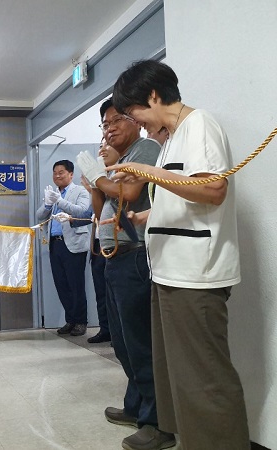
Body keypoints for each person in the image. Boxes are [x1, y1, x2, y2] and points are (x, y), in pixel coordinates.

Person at [110, 59, 249, 450]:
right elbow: (184, 195)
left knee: (204, 378)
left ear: (154, 96)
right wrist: (148, 215)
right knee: (180, 377)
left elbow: (212, 189)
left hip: (195, 275)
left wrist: (146, 171)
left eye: (134, 112)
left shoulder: (199, 124)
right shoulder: (171, 139)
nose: (136, 122)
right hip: (170, 273)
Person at [77, 97, 170, 450]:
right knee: (122, 342)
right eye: (105, 124)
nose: (110, 128)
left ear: (135, 120)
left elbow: (129, 193)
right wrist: (94, 183)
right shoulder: (120, 159)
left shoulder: (145, 149)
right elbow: (102, 207)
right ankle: (135, 406)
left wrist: (101, 176)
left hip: (134, 255)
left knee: (140, 343)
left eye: (117, 120)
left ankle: (157, 423)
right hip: (113, 257)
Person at [35, 160, 91, 337]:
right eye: (55, 173)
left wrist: (60, 201)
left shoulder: (80, 191)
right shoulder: (53, 193)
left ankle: (81, 321)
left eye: (61, 172)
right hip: (55, 243)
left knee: (76, 284)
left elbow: (82, 212)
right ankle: (71, 319)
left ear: (71, 174)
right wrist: (48, 204)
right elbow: (39, 216)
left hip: (74, 244)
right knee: (61, 284)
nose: (57, 175)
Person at [80, 139, 119, 344]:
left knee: (116, 293)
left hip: (118, 242)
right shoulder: (99, 177)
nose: (102, 150)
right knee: (101, 290)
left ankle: (118, 333)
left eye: (107, 145)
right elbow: (97, 211)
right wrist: (94, 187)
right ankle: (106, 328)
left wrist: (96, 184)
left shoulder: (119, 174)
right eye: (100, 146)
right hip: (98, 242)